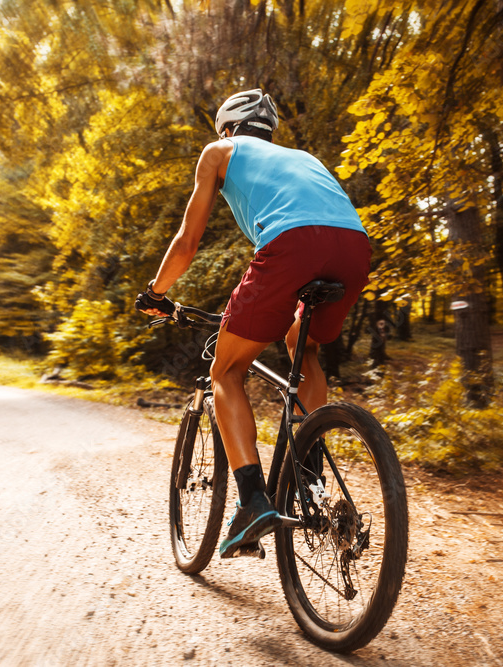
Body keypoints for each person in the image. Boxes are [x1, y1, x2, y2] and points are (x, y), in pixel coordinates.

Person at [136, 89, 371, 558]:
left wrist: (156, 293)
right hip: (354, 248)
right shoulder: (303, 157)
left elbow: (187, 242)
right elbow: (317, 220)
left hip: (291, 245)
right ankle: (308, 479)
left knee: (226, 371)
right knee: (300, 346)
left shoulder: (219, 152)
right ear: (267, 131)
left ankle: (252, 501)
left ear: (227, 129)